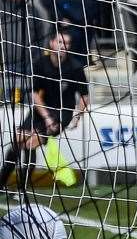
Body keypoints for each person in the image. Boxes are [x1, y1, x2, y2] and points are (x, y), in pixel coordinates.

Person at [0, 31, 88, 190]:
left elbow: (84, 96)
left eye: (66, 43)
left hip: (62, 113)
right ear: (52, 43)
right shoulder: (41, 63)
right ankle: (1, 183)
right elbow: (34, 93)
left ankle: (22, 190)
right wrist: (46, 116)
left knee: (31, 142)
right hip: (42, 109)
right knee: (18, 140)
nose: (63, 46)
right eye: (60, 42)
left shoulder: (75, 67)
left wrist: (77, 117)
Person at [0, 0, 51, 100]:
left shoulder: (32, 12)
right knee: (7, 105)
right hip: (5, 67)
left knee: (29, 103)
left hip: (28, 67)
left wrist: (36, 60)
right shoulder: (1, 12)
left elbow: (41, 38)